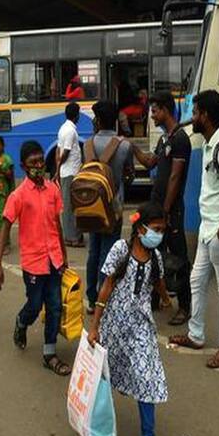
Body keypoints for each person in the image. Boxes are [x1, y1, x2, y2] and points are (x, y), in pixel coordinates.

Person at [88, 202, 171, 436]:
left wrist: (165, 297)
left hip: (141, 328)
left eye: (162, 230)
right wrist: (95, 326)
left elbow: (158, 283)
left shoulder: (156, 258)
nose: (159, 235)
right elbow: (106, 286)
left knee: (147, 378)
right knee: (102, 380)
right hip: (113, 326)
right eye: (156, 229)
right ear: (139, 228)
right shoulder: (120, 250)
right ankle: (93, 428)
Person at [169, 90, 219, 368]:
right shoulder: (209, 145)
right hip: (208, 230)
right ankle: (196, 334)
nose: (192, 118)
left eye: (195, 112)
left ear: (205, 115)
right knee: (196, 280)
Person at [0, 141, 71, 376]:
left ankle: (49, 353)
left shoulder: (53, 190)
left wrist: (63, 255)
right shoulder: (18, 196)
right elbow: (5, 228)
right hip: (33, 264)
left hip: (54, 260)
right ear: (24, 166)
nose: (39, 165)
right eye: (33, 162)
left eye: (40, 161)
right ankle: (22, 322)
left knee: (55, 307)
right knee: (35, 306)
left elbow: (57, 224)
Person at [130, 92, 192, 324]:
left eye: (154, 111)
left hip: (170, 211)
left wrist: (165, 212)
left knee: (179, 258)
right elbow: (149, 162)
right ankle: (156, 299)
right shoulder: (164, 138)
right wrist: (131, 147)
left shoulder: (180, 139)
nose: (152, 116)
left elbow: (175, 178)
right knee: (155, 254)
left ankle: (185, 306)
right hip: (158, 208)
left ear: (165, 110)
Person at [85, 100, 134, 313]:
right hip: (113, 207)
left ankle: (91, 297)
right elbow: (130, 175)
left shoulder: (87, 144)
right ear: (115, 119)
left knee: (93, 251)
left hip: (91, 206)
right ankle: (103, 298)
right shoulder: (123, 145)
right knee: (109, 252)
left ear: (97, 119)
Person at [55, 102, 84, 247]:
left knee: (69, 205)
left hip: (67, 171)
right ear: (76, 115)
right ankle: (72, 237)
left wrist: (57, 170)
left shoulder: (63, 128)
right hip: (70, 172)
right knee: (71, 206)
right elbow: (65, 152)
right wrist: (58, 168)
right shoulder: (70, 131)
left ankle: (71, 236)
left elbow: (58, 150)